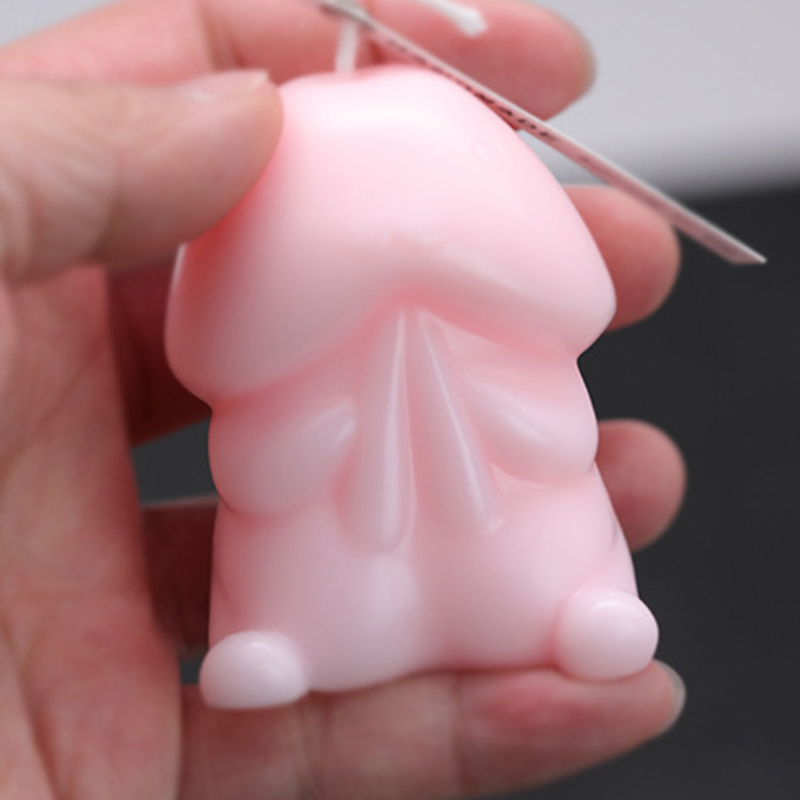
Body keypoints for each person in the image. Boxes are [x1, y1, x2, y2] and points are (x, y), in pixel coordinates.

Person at [0, 0, 686, 797]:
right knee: (308, 557)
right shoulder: (266, 167)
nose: (389, 229)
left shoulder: (486, 209)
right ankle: (282, 642)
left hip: (508, 467)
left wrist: (441, 272)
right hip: (322, 494)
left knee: (540, 529)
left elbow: (579, 301)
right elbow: (208, 353)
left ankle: (579, 604)